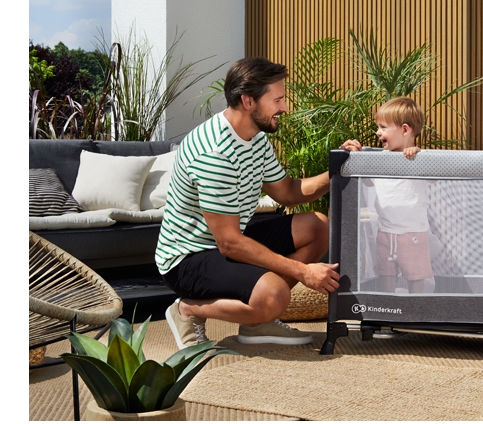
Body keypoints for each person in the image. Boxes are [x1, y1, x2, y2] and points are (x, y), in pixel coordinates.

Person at [155, 57, 361, 349]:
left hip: (228, 242)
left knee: (317, 227)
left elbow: (288, 192)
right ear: (248, 101)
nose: (284, 107)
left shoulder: (255, 139)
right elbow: (229, 243)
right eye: (277, 100)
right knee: (274, 294)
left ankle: (258, 320)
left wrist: (337, 171)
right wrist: (303, 271)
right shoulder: (215, 153)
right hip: (188, 258)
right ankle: (187, 310)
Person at [352, 97, 434, 294]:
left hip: (412, 233)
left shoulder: (418, 159)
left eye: (383, 127)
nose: (377, 132)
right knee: (385, 274)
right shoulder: (380, 160)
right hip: (385, 231)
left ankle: (415, 306)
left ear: (405, 130)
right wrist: (357, 157)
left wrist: (418, 155)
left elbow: (434, 178)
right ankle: (388, 305)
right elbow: (367, 181)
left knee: (415, 276)